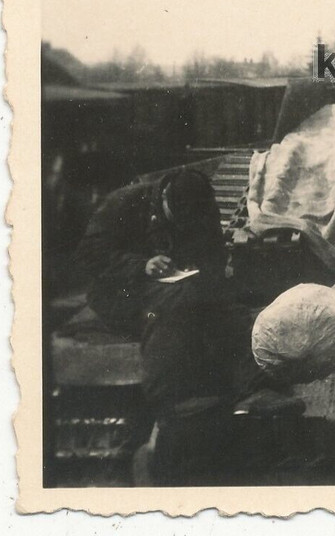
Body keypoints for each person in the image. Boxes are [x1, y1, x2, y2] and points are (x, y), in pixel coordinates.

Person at [70, 168, 299, 482]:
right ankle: (171, 403)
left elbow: (213, 255)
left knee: (224, 305)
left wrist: (200, 271)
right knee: (175, 306)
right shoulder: (123, 203)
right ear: (164, 197)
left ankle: (257, 388)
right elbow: (88, 256)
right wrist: (142, 265)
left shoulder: (200, 205)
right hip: (119, 291)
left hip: (180, 286)